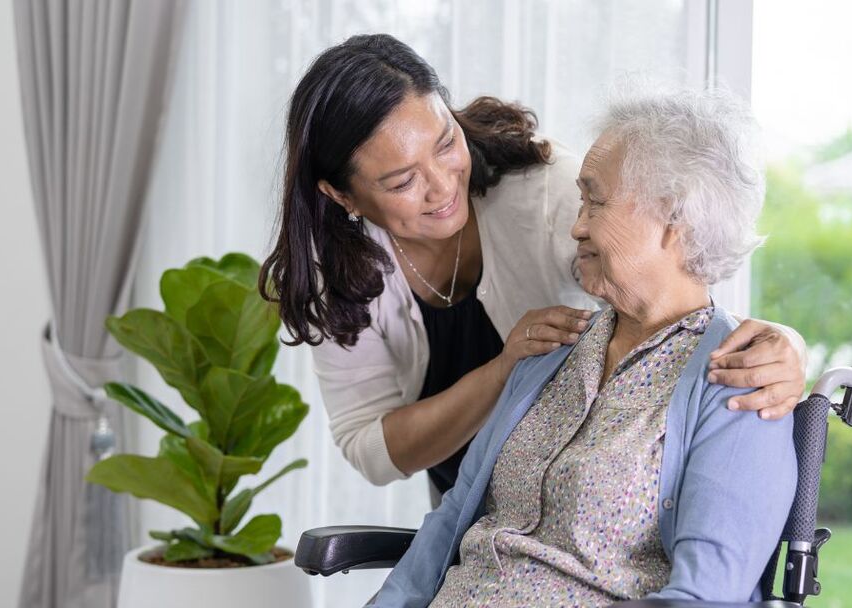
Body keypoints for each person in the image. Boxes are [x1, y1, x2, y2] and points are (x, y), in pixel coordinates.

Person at [259, 34, 806, 498]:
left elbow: (683, 288)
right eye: (402, 182)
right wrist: (504, 371)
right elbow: (373, 450)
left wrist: (782, 346)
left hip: (583, 499)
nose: (443, 184)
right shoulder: (336, 271)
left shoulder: (552, 195)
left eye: (446, 142)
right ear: (342, 196)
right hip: (475, 516)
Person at [367, 85, 796, 608]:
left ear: (673, 221)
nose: (577, 225)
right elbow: (451, 518)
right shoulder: (551, 349)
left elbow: (704, 596)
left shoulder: (738, 384)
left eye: (595, 201)